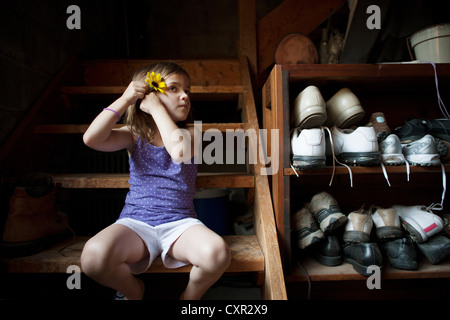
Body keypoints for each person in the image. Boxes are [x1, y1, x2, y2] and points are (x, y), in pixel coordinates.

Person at [80, 62, 231, 300]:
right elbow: (92, 139)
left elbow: (178, 151)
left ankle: (189, 298)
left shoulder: (194, 133)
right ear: (149, 96)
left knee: (217, 253)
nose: (184, 96)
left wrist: (156, 108)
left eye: (187, 90)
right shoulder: (134, 134)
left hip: (181, 224)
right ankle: (133, 291)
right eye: (174, 88)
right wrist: (125, 99)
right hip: (135, 222)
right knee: (93, 258)